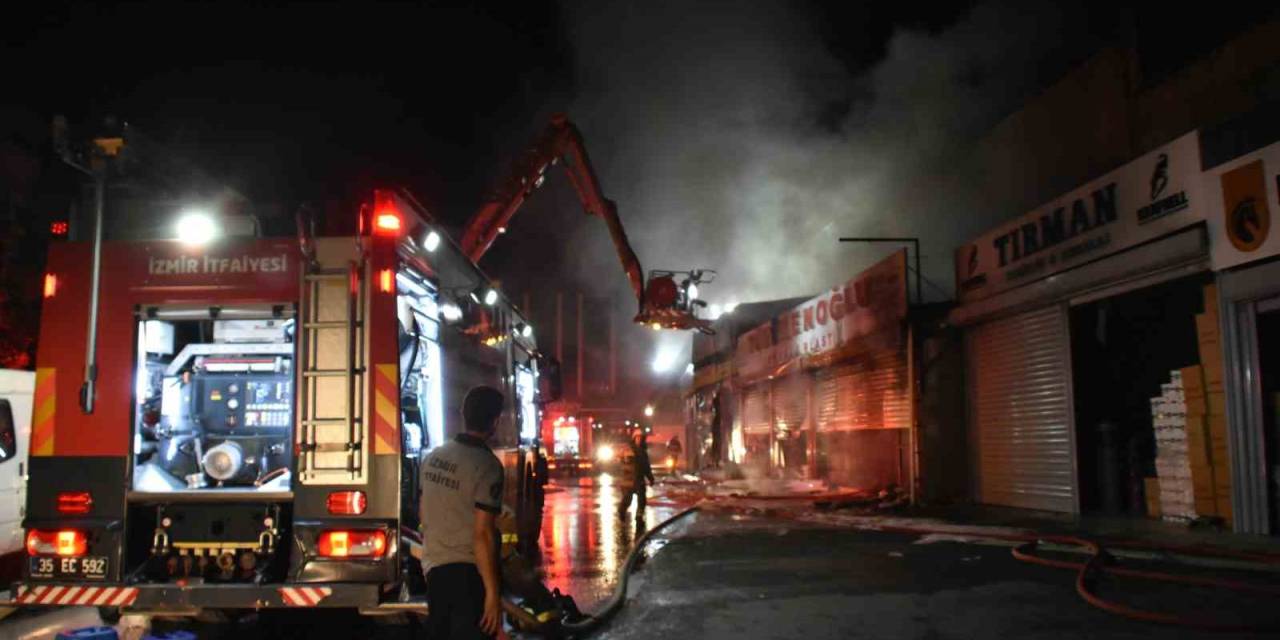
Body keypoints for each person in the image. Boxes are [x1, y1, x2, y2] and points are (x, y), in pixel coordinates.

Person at [420, 386, 506, 638]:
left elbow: (424, 516)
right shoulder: (488, 466)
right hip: (469, 576)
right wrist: (492, 594)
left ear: (463, 414)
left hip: (434, 571)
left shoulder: (434, 456)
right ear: (495, 421)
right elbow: (483, 535)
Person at [617, 429, 655, 521]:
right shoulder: (628, 449)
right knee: (627, 500)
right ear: (633, 438)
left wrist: (650, 478)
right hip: (629, 480)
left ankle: (639, 516)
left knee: (642, 500)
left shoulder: (643, 452)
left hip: (639, 479)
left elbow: (646, 466)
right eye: (637, 437)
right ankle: (621, 511)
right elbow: (621, 462)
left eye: (641, 438)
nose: (639, 439)